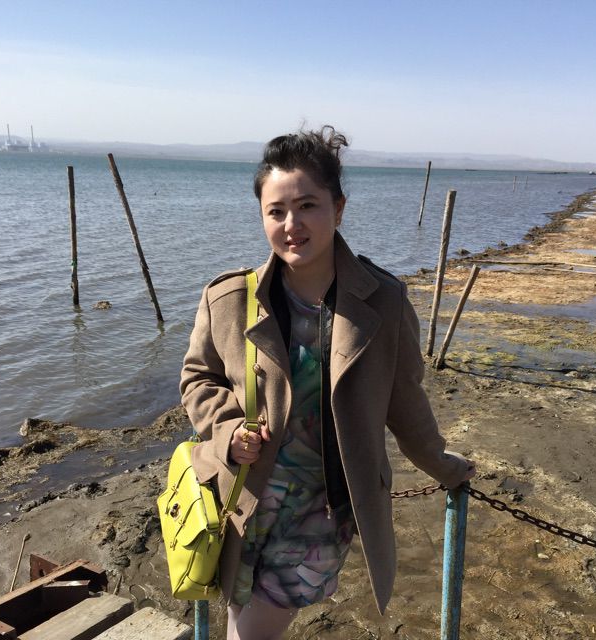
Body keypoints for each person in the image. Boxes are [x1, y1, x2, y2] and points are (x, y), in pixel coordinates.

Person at [180, 126, 475, 640]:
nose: (291, 225)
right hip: (241, 502)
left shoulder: (383, 301)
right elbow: (197, 378)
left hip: (320, 513)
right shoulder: (228, 299)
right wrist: (227, 432)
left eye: (307, 206)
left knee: (252, 633)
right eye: (276, 211)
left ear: (338, 209)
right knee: (237, 617)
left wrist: (444, 466)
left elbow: (406, 403)